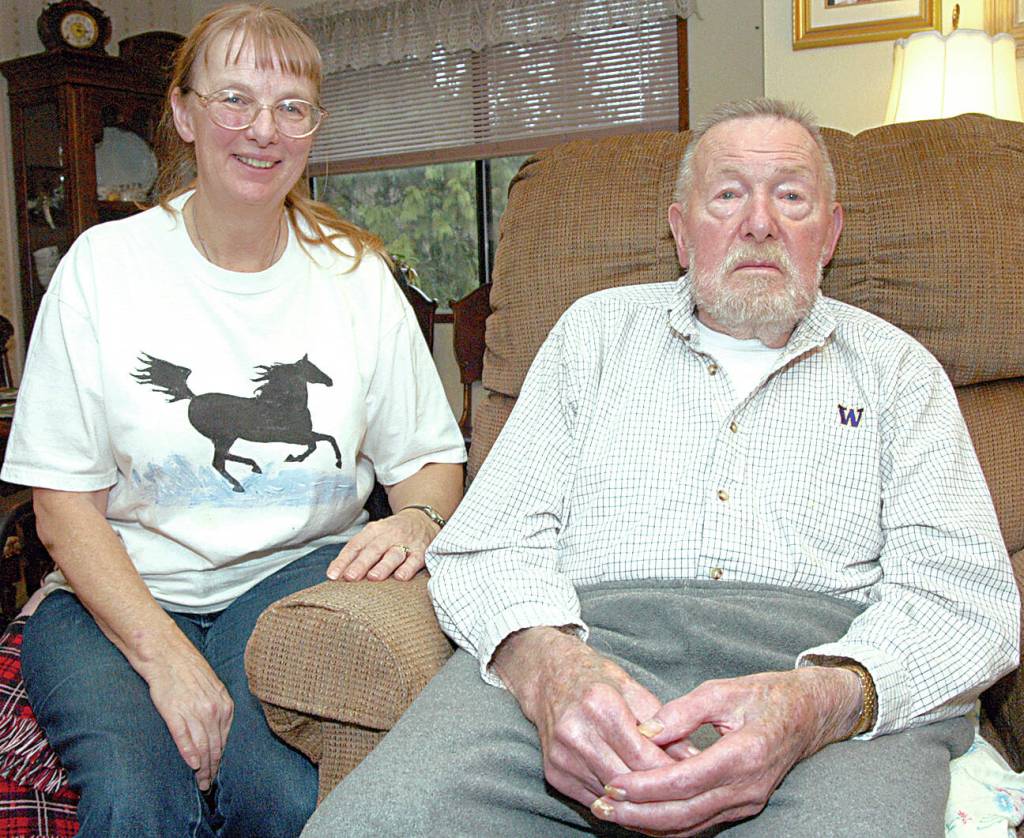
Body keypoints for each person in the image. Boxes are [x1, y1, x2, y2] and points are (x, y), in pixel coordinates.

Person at [301, 98, 1019, 837]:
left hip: (819, 684)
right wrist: (549, 669)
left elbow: (966, 599)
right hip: (583, 651)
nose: (760, 223)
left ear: (830, 234)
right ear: (681, 231)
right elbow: (488, 542)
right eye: (728, 195)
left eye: (792, 197)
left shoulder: (900, 372)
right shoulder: (592, 334)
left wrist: (818, 703)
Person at [0, 3, 465, 836]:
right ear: (183, 113)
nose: (264, 130)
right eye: (235, 100)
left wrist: (421, 519)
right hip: (119, 592)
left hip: (295, 583)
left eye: (292, 107)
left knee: (280, 799)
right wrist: (169, 662)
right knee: (136, 801)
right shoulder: (102, 268)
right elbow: (62, 508)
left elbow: (428, 461)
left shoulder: (356, 276)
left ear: (315, 128)